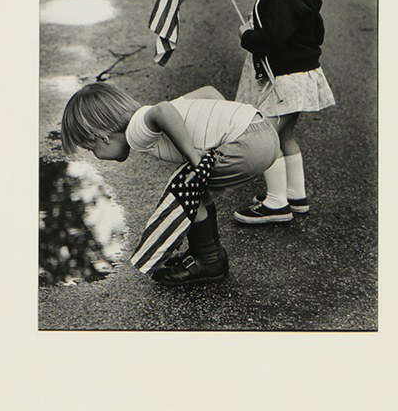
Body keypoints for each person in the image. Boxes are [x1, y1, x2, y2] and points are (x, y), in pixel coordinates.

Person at [60, 82, 280, 286]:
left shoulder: (136, 131)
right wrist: (220, 129)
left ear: (102, 136)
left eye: (91, 149)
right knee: (193, 183)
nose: (96, 155)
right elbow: (209, 92)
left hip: (248, 144)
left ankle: (208, 259)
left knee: (183, 187)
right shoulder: (162, 111)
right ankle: (209, 254)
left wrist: (194, 157)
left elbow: (162, 111)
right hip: (264, 131)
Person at [223, 0, 335, 224]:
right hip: (298, 77)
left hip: (285, 81)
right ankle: (295, 195)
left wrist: (248, 36)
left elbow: (272, 40)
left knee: (266, 140)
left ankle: (276, 204)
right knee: (284, 136)